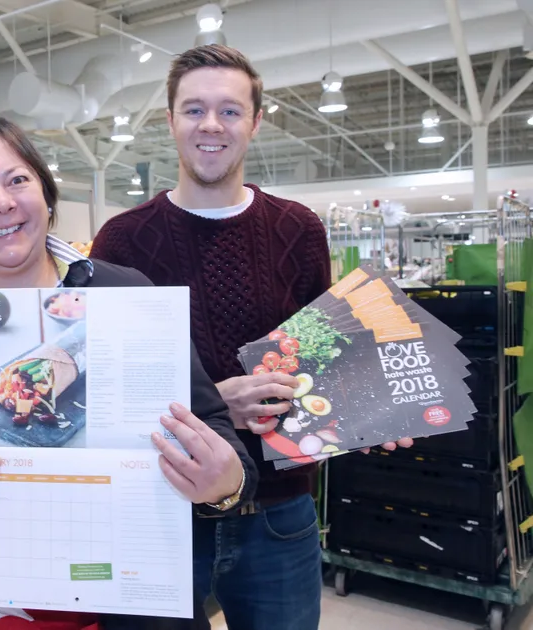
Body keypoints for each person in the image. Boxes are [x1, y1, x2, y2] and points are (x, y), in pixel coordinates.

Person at [89, 45, 412, 630]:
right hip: (160, 510)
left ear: (256, 122)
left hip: (278, 515)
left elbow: (322, 356)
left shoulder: (299, 230)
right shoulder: (121, 241)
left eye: (230, 111)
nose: (211, 125)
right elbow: (100, 392)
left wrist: (368, 410)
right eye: (194, 109)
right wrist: (216, 404)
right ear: (170, 120)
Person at [0, 117, 259, 630]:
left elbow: (217, 432)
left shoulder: (127, 294)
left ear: (46, 197)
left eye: (18, 180)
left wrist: (226, 482)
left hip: (126, 605)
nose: (2, 202)